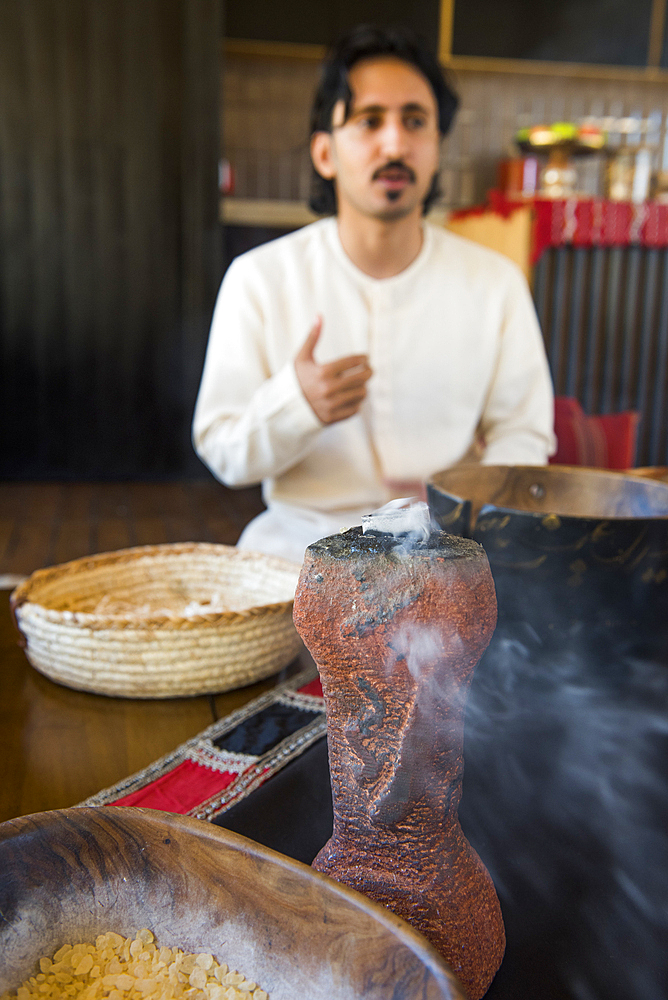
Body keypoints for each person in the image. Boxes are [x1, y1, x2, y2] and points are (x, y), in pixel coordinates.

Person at [193, 25, 555, 563]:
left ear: (435, 150)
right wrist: (296, 404)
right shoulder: (260, 278)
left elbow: (524, 434)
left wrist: (472, 498)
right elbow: (224, 451)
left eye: (415, 122)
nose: (394, 143)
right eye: (369, 121)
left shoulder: (494, 283)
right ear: (324, 153)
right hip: (301, 550)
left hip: (449, 550)